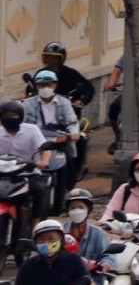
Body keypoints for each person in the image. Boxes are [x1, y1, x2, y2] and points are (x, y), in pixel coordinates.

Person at [25, 69, 81, 197]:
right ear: (36, 86)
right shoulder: (28, 103)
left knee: (70, 160)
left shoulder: (64, 102)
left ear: (55, 85)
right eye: (41, 85)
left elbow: (72, 121)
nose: (45, 88)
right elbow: (22, 123)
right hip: (37, 140)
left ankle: (68, 186)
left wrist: (74, 132)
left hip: (59, 140)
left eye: (49, 84)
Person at [0, 99, 52, 215]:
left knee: (38, 189)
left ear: (20, 116)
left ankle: (35, 223)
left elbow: (45, 148)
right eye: (6, 115)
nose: (9, 118)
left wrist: (44, 161)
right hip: (3, 172)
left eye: (13, 115)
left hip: (28, 171)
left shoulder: (31, 130)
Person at [100, 151, 139, 225]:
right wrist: (103, 221)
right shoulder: (125, 189)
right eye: (138, 170)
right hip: (122, 232)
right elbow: (111, 210)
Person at [61, 190, 110, 267]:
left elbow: (108, 255)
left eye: (81, 207)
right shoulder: (60, 231)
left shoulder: (98, 234)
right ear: (68, 210)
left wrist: (106, 264)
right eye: (73, 208)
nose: (76, 211)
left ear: (88, 209)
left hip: (91, 276)